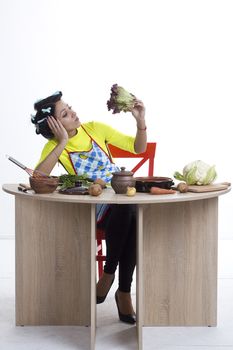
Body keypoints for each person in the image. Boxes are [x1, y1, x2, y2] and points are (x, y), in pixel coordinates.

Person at [31, 90, 147, 324]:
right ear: (55, 125)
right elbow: (39, 178)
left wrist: (140, 121)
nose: (73, 112)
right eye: (64, 113)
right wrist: (62, 141)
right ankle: (123, 292)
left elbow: (138, 148)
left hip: (120, 198)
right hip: (94, 207)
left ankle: (109, 276)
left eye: (69, 107)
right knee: (129, 210)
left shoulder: (95, 128)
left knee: (131, 211)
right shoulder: (56, 146)